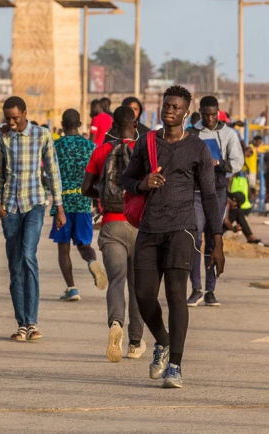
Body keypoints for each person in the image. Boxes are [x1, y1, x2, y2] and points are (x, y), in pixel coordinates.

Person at [122, 85, 225, 388]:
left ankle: (175, 366)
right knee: (143, 295)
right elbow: (127, 179)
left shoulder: (197, 148)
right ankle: (163, 341)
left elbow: (209, 196)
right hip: (149, 228)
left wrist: (217, 241)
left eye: (175, 107)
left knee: (176, 295)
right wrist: (143, 184)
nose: (169, 110)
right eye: (166, 105)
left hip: (182, 228)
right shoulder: (146, 142)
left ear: (186, 112)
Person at [0, 96, 65, 341]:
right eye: (8, 119)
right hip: (10, 207)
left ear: (25, 113)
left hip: (34, 203)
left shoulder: (42, 135)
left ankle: (33, 321)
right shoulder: (2, 137)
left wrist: (59, 207)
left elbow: (52, 170)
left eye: (15, 118)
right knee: (15, 265)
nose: (12, 122)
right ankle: (22, 324)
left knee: (28, 255)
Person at [82, 106, 147, 363]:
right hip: (139, 226)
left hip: (111, 225)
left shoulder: (101, 151)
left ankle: (116, 323)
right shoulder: (143, 151)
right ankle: (135, 343)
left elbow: (86, 188)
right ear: (135, 124)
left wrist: (105, 196)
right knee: (138, 285)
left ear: (113, 126)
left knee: (116, 281)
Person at [185, 96, 243, 308]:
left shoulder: (228, 134)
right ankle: (196, 288)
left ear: (218, 112)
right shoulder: (191, 133)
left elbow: (238, 162)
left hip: (217, 192)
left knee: (213, 238)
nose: (209, 118)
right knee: (194, 235)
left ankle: (210, 290)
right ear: (200, 112)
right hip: (195, 192)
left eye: (213, 114)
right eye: (205, 114)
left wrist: (219, 163)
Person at [49, 109, 107, 302]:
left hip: (62, 204)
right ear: (80, 125)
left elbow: (49, 173)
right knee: (84, 245)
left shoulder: (56, 146)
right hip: (82, 202)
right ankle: (91, 261)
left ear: (62, 125)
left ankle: (71, 289)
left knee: (63, 249)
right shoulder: (90, 146)